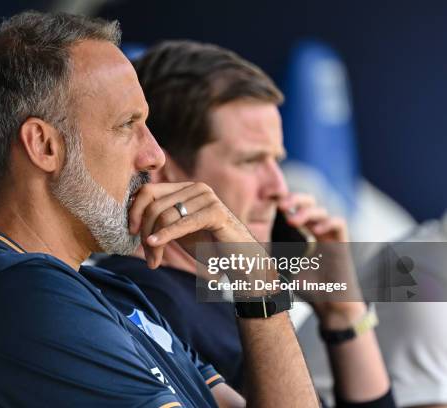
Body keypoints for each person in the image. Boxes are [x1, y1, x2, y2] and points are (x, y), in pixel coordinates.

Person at [0, 11, 319, 407]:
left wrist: (256, 280)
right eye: (126, 125)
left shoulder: (107, 289)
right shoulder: (27, 299)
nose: (153, 156)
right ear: (45, 146)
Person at [97, 40, 395, 407]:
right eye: (250, 162)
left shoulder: (220, 296)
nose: (278, 188)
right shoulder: (144, 304)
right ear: (162, 171)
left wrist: (342, 313)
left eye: (276, 161)